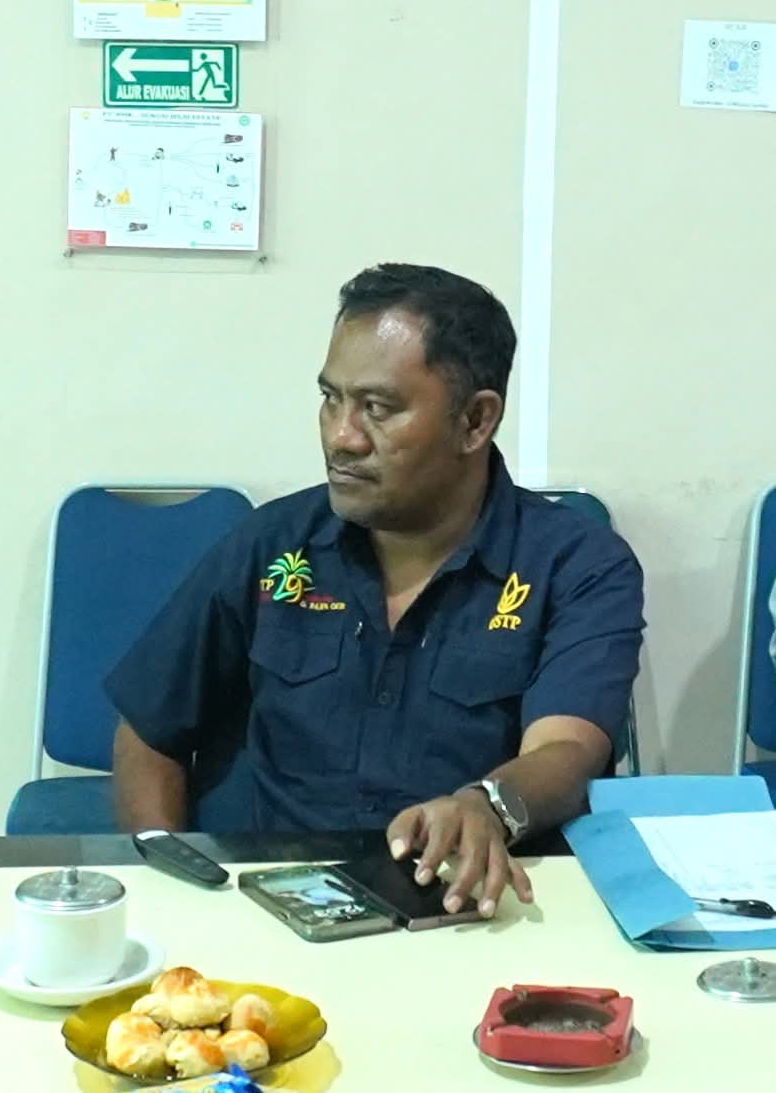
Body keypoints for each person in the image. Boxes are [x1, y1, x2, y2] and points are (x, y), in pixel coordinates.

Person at [108, 263, 643, 920]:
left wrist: (487, 805)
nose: (341, 436)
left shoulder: (574, 563)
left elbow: (567, 748)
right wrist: (171, 888)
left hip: (478, 907)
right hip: (280, 902)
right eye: (330, 398)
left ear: (475, 421)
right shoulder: (273, 545)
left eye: (377, 408)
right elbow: (149, 730)